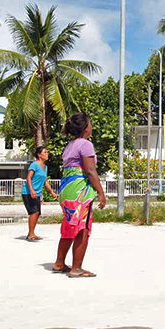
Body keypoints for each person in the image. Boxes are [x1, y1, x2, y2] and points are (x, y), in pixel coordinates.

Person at [53, 113, 107, 278]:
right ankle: (76, 268)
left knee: (69, 226)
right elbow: (90, 171)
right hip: (80, 191)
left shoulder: (70, 145)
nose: (91, 127)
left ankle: (59, 263)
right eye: (90, 124)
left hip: (67, 190)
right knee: (82, 229)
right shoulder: (86, 145)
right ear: (85, 128)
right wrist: (100, 192)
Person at [21, 146, 58, 240]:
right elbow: (28, 178)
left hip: (36, 193)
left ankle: (31, 233)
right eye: (45, 152)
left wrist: (52, 192)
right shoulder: (34, 164)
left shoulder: (45, 167)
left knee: (37, 213)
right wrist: (32, 190)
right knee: (34, 212)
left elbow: (45, 181)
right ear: (39, 155)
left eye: (47, 152)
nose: (47, 154)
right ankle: (31, 234)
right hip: (28, 192)